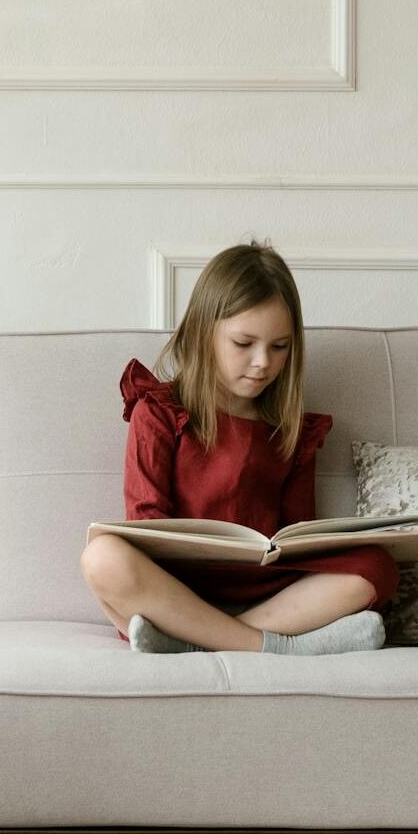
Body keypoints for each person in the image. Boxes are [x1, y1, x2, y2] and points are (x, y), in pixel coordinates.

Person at [80, 239, 397, 656]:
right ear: (203, 333)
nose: (263, 362)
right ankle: (272, 646)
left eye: (279, 347)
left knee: (378, 567)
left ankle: (197, 642)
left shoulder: (291, 430)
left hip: (269, 595)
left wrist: (300, 546)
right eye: (244, 344)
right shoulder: (158, 411)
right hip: (176, 590)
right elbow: (145, 525)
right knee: (102, 557)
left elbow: (299, 534)